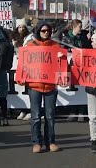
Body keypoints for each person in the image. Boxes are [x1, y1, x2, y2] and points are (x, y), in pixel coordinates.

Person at [17, 21, 61, 153]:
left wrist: (64, 76)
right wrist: (20, 77)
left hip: (50, 86)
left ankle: (50, 142)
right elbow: (22, 64)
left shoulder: (55, 46)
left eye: (48, 30)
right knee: (35, 116)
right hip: (35, 86)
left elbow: (62, 65)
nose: (46, 32)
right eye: (43, 30)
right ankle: (37, 142)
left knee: (50, 116)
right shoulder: (30, 46)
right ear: (38, 32)